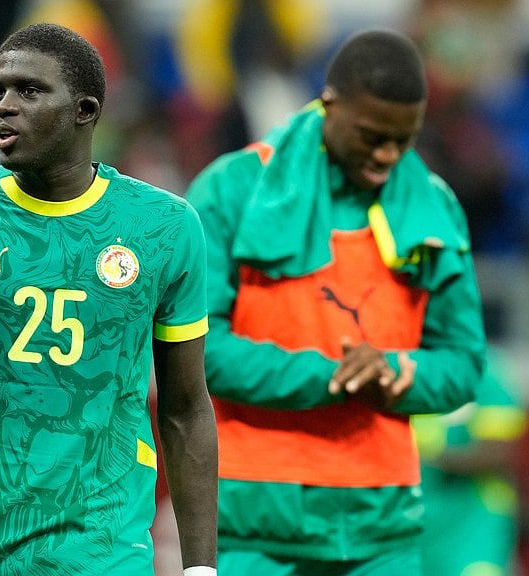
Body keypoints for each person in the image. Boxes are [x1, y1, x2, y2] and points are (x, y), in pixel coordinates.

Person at [0, 22, 217, 576]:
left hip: (101, 548)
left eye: (29, 91)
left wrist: (201, 568)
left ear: (85, 110)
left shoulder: (165, 228)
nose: (3, 105)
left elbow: (186, 407)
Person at [186, 28, 486, 575]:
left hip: (383, 525)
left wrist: (396, 371)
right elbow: (196, 348)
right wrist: (331, 377)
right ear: (330, 105)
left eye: (405, 138)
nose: (388, 155)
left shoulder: (435, 208)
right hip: (254, 522)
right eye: (372, 136)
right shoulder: (232, 189)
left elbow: (464, 363)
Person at [413, 347, 526, 576]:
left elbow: (502, 449)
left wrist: (434, 456)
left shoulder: (482, 370)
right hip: (414, 531)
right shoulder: (397, 367)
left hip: (472, 530)